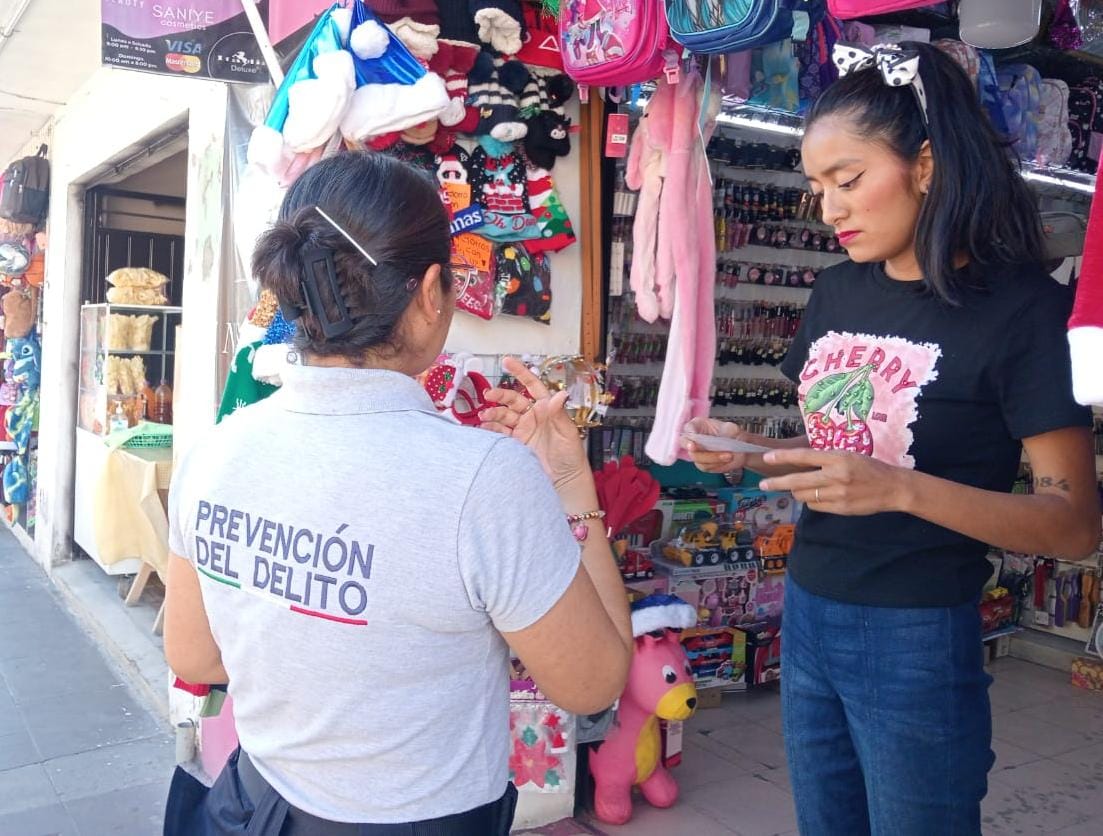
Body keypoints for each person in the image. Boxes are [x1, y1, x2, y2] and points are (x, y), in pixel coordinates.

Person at [685, 42, 1101, 836]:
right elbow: (836, 459)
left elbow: (1073, 525)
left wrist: (900, 489)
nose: (829, 208)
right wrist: (748, 451)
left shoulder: (1019, 312)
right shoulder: (835, 290)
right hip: (805, 607)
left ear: (925, 165)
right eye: (816, 187)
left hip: (914, 630)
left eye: (847, 180)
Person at [163, 152, 632, 835]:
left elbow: (196, 658)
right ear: (430, 291)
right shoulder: (484, 479)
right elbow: (593, 684)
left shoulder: (216, 451)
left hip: (254, 807)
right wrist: (569, 484)